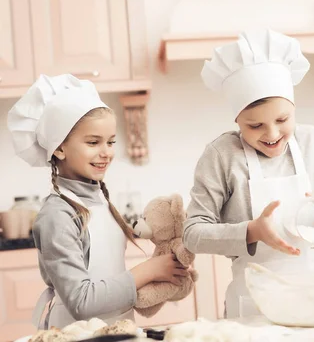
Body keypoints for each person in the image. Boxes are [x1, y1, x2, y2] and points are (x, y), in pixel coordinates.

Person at [183, 29, 314, 318]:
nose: (271, 134)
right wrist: (251, 231)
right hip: (254, 309)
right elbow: (192, 233)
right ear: (237, 120)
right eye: (254, 126)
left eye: (282, 119)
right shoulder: (222, 155)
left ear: (294, 108)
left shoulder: (313, 142)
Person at [7, 74, 189, 329]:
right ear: (59, 148)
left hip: (118, 330)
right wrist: (148, 271)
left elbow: (109, 279)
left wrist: (165, 272)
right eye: (93, 142)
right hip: (76, 334)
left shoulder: (101, 201)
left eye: (111, 141)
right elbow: (81, 301)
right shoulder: (57, 216)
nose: (106, 152)